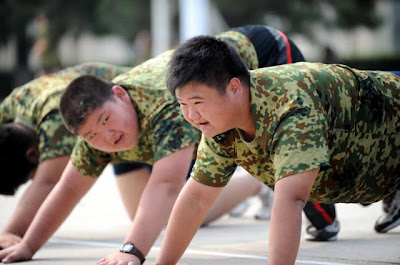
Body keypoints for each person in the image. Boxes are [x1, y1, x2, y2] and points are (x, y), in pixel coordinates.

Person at [0, 26, 277, 265]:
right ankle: (256, 184)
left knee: (302, 177)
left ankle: (266, 179)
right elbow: (68, 189)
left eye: (106, 121)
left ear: (120, 96)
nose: (106, 136)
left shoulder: (165, 105)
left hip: (261, 52)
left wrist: (131, 250)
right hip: (137, 127)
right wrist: (27, 246)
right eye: (93, 135)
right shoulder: (97, 136)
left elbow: (166, 184)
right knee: (159, 216)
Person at [154, 35, 400, 265]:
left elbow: (291, 199)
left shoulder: (292, 104)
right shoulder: (218, 123)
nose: (191, 115)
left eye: (197, 102)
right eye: (183, 105)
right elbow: (197, 198)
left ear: (234, 88)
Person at [0, 62, 131, 249]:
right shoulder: (13, 103)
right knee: (153, 216)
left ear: (32, 154)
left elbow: (47, 182)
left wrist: (13, 232)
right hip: (120, 140)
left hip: (147, 119)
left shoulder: (55, 118)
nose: (33, 181)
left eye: (31, 176)